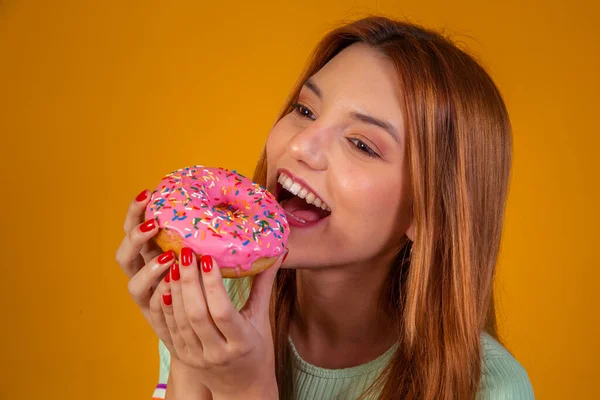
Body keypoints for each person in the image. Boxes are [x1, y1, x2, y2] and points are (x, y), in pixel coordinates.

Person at [116, 15, 535, 400]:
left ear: (428, 213)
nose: (301, 145)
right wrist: (189, 355)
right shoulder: (218, 305)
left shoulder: (489, 389)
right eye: (304, 110)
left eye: (361, 144)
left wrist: (246, 389)